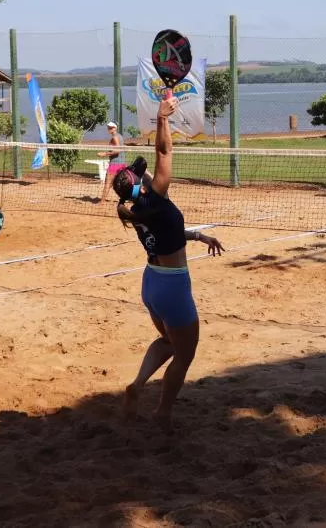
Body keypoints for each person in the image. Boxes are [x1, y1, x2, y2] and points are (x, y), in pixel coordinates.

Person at [112, 96, 225, 432]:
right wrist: (163, 119)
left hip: (152, 282)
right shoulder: (154, 199)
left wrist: (198, 236)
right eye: (139, 174)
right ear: (139, 186)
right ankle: (163, 413)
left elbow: (170, 232)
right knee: (185, 354)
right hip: (173, 287)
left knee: (168, 342)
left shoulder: (137, 209)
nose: (144, 174)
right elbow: (164, 153)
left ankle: (137, 386)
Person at [98, 121, 128, 202]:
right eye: (108, 127)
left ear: (115, 128)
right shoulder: (120, 136)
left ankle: (101, 202)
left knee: (107, 183)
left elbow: (117, 151)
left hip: (115, 164)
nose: (109, 129)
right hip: (122, 163)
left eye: (111, 127)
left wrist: (104, 154)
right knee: (121, 184)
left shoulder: (115, 137)